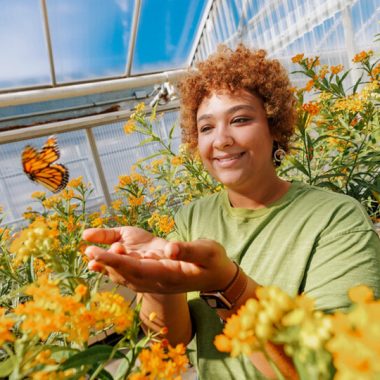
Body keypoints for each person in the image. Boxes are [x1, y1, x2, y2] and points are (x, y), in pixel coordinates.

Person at [83, 45, 380, 380]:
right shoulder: (192, 217)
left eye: (240, 119)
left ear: (275, 128)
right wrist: (156, 281)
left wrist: (228, 285)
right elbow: (171, 343)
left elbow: (334, 368)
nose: (221, 139)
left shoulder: (336, 218)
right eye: (206, 127)